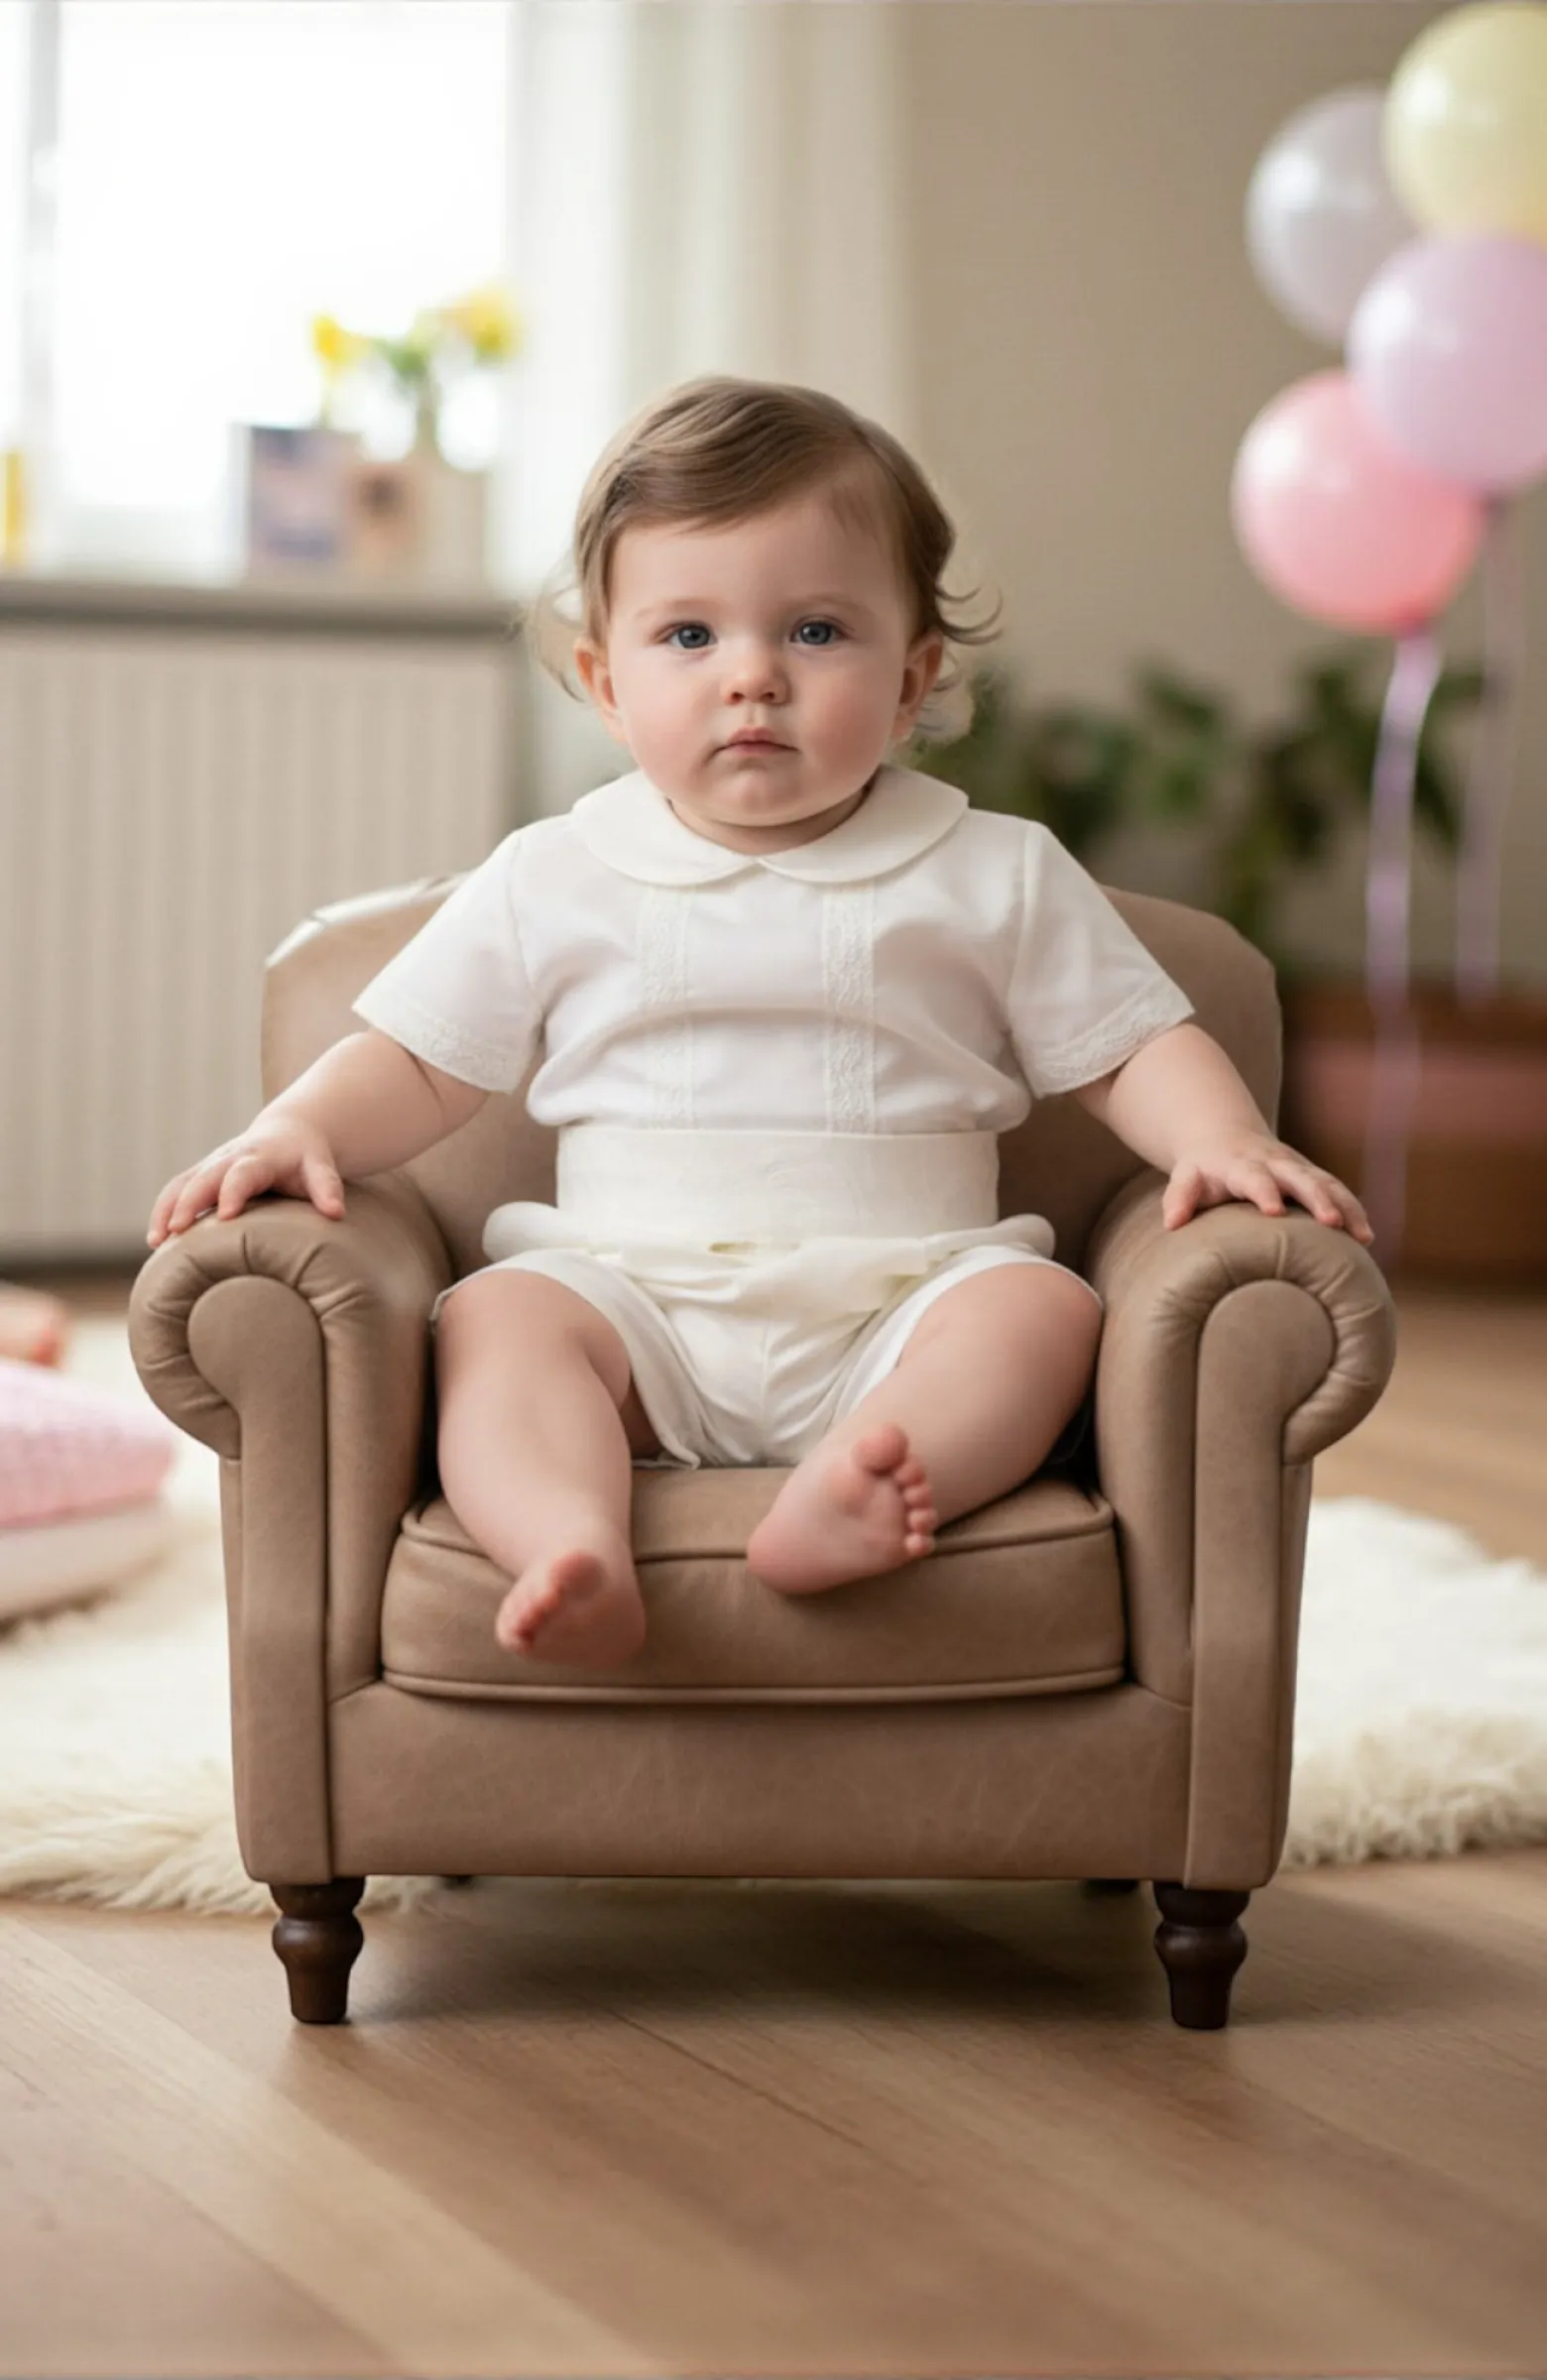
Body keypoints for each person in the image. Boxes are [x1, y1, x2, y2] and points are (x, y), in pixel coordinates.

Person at [146, 375, 1372, 1673]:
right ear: (603, 682)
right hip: (630, 1296)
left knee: (1045, 1317)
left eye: (816, 633)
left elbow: (1129, 1044)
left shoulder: (994, 871)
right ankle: (568, 1537)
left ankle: (864, 1479)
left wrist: (1223, 1134)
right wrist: (297, 1126)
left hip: (910, 1293)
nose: (753, 680)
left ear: (912, 682)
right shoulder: (553, 874)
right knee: (500, 1332)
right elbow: (415, 1057)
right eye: (688, 637)